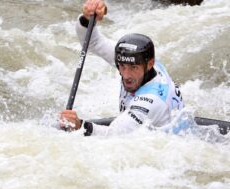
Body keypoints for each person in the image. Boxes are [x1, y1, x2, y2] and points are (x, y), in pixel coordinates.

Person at [60, 0, 184, 136]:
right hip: (138, 128)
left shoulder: (150, 101)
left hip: (167, 145)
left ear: (150, 64)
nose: (126, 75)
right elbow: (94, 43)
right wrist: (87, 19)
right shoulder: (138, 60)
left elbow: (112, 136)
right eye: (122, 66)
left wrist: (79, 125)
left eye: (133, 68)